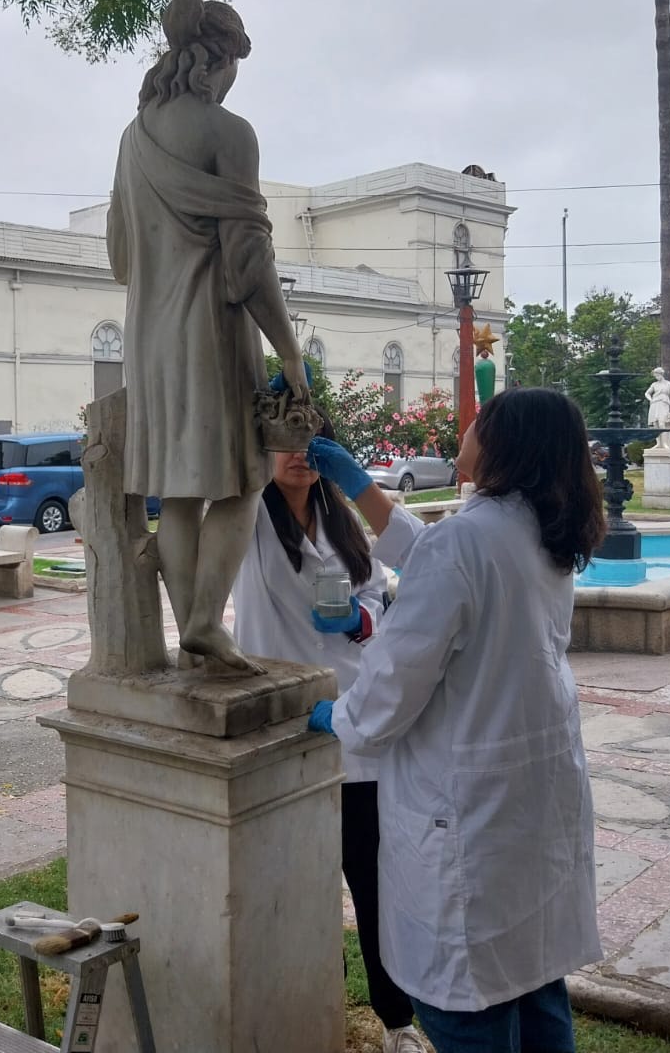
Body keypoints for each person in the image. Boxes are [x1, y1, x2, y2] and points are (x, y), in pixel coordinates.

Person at [309, 388, 607, 1053]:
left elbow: (392, 686)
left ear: (503, 444)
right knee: (534, 985)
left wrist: (341, 718)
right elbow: (441, 558)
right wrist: (358, 484)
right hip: (532, 798)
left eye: (479, 421)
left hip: (468, 811)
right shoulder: (543, 530)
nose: (466, 428)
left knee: (466, 1005)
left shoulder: (468, 540)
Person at [106, 0, 308, 675]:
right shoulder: (229, 133)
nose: (229, 83)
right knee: (243, 482)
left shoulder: (133, 139)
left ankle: (198, 636)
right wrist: (289, 349)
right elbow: (249, 264)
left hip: (149, 342)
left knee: (181, 492)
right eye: (232, 67)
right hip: (209, 336)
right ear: (218, 59)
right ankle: (202, 622)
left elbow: (118, 256)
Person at [232, 418, 428, 1053]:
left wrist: (359, 618)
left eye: (311, 440)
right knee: (294, 884)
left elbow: (380, 601)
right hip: (287, 724)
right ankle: (306, 1007)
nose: (300, 454)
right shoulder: (244, 521)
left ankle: (397, 1022)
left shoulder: (341, 519)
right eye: (284, 439)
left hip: (358, 726)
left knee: (375, 885)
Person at [644, 366, 670, 453]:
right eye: (655, 376)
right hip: (655, 404)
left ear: (661, 374)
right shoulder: (654, 385)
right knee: (655, 425)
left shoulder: (668, 384)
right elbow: (647, 393)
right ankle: (659, 443)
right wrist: (651, 400)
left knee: (662, 423)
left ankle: (665, 443)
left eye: (657, 375)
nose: (656, 377)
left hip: (664, 404)